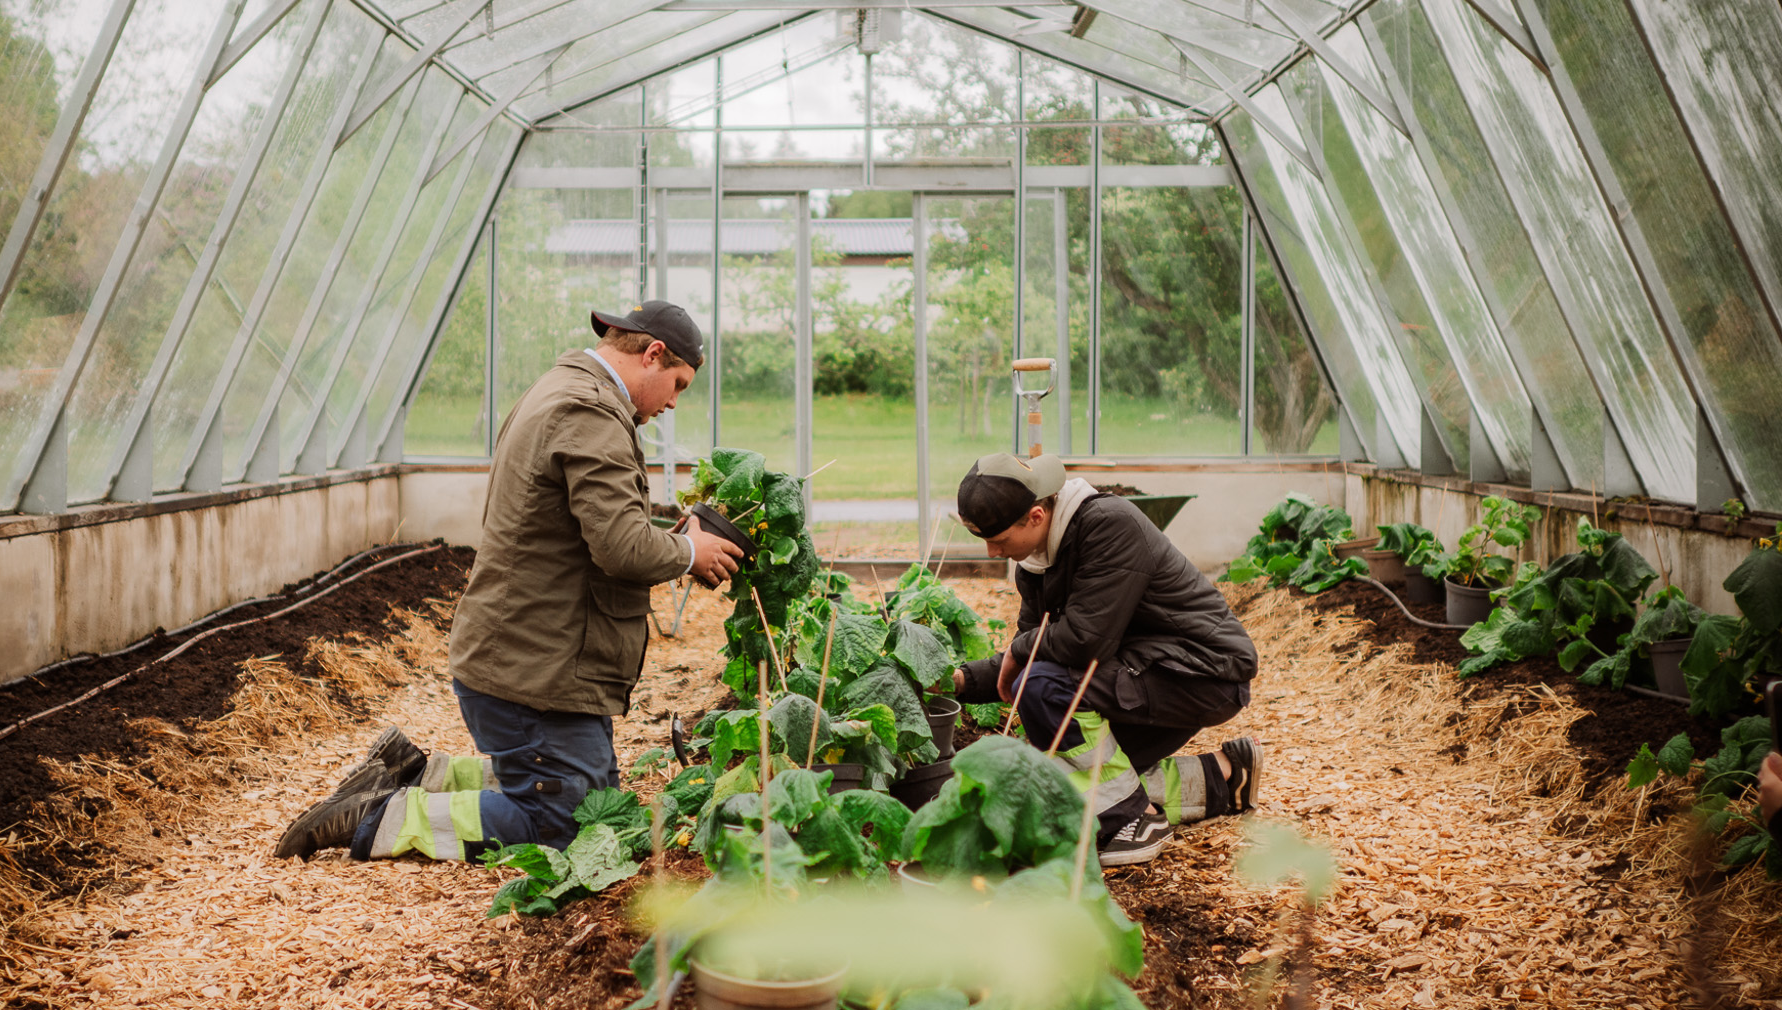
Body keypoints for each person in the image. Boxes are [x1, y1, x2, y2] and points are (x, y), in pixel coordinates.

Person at [275, 300, 744, 861]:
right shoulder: (588, 411)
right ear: (652, 354)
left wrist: (670, 538)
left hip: (530, 658)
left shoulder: (563, 389)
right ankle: (379, 814)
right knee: (567, 830)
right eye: (678, 384)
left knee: (603, 805)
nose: (672, 402)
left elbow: (591, 530)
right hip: (533, 674)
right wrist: (689, 550)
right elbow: (621, 548)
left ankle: (419, 773)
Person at [951, 452, 1262, 867]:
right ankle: (1227, 774)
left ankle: (1131, 821)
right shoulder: (1036, 562)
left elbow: (1084, 643)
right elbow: (1031, 649)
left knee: (1044, 690)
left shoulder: (1109, 525)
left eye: (999, 539)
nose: (992, 552)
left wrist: (1020, 654)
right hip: (1142, 673)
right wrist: (959, 681)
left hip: (1203, 673)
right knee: (1060, 782)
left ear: (1037, 516)